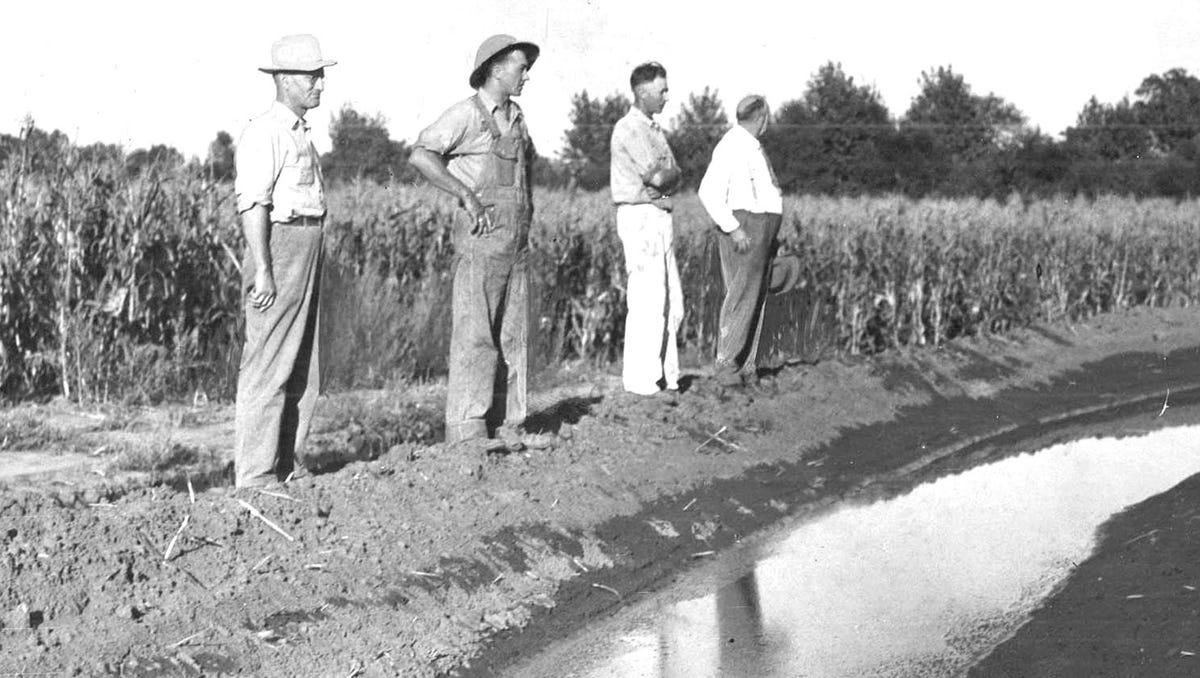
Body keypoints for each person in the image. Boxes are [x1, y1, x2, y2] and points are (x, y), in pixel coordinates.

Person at [409, 35, 540, 449]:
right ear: (497, 68)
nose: (526, 75)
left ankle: (510, 425)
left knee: (512, 336)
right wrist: (464, 194)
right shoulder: (465, 114)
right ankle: (468, 429)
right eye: (521, 67)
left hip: (515, 244)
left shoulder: (517, 118)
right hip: (481, 242)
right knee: (475, 334)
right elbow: (421, 154)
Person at [233, 34, 336, 488]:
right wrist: (263, 269)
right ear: (285, 80)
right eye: (312, 75)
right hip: (281, 246)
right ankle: (255, 473)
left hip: (307, 243)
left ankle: (285, 463)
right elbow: (253, 204)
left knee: (302, 364)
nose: (320, 84)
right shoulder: (266, 131)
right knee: (269, 362)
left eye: (320, 74)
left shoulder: (299, 133)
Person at [697, 95, 784, 388]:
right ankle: (725, 364)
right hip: (746, 226)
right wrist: (734, 229)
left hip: (762, 227)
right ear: (762, 116)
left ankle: (747, 366)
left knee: (757, 296)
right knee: (742, 294)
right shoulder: (732, 145)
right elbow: (708, 192)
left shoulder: (750, 146)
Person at [610, 61, 683, 396]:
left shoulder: (654, 129)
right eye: (661, 90)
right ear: (641, 92)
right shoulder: (629, 128)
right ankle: (642, 383)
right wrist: (664, 177)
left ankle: (667, 378)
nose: (667, 96)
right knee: (648, 301)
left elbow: (675, 174)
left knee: (672, 303)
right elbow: (658, 177)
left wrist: (666, 177)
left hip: (658, 213)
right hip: (640, 215)